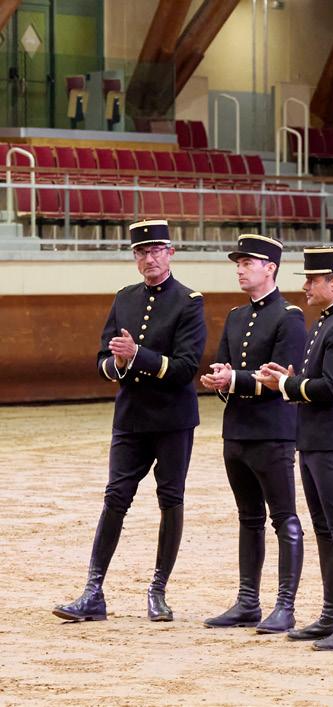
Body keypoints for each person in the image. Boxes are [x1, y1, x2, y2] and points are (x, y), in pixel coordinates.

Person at [54, 219, 207, 623]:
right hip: (131, 417)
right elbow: (102, 362)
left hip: (173, 419)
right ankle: (93, 591)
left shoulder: (189, 301)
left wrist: (138, 355)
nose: (148, 258)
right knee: (115, 498)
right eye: (141, 252)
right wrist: (119, 364)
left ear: (170, 253)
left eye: (156, 250)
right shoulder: (124, 298)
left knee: (170, 499)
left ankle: (158, 591)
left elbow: (186, 368)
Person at [256, 245, 333, 652]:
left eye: (312, 280)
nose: (305, 286)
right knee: (326, 531)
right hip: (317, 440)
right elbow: (315, 380)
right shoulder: (328, 322)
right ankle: (332, 615)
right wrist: (288, 379)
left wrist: (286, 385)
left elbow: (332, 387)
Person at [200, 234, 307, 633]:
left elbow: (280, 380)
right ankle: (247, 602)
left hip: (273, 432)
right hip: (237, 431)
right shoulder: (235, 316)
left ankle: (285, 606)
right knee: (248, 518)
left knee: (284, 518)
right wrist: (220, 378)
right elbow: (224, 365)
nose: (240, 270)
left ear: (270, 268)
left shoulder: (289, 316)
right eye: (238, 264)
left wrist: (233, 379)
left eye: (248, 263)